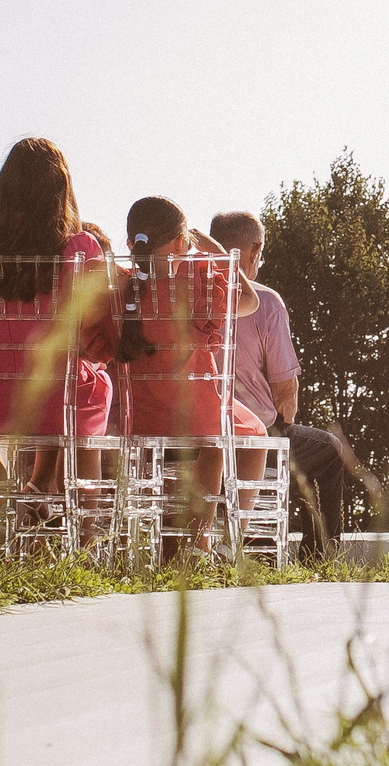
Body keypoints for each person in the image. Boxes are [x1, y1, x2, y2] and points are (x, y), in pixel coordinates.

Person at [0, 138, 116, 489]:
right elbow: (92, 323)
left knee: (59, 375)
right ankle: (84, 527)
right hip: (59, 401)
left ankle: (37, 489)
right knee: (90, 381)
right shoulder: (79, 250)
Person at [208, 209, 355, 559]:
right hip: (252, 433)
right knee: (329, 450)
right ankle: (319, 553)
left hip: (192, 428)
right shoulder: (265, 302)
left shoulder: (186, 295)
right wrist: (283, 426)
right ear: (254, 250)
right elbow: (285, 389)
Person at [121, 196, 266, 545]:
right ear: (180, 243)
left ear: (131, 243)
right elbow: (249, 302)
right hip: (197, 413)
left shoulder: (121, 285)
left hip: (138, 414)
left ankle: (161, 539)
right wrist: (218, 252)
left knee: (212, 427)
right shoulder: (197, 279)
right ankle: (222, 540)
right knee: (248, 433)